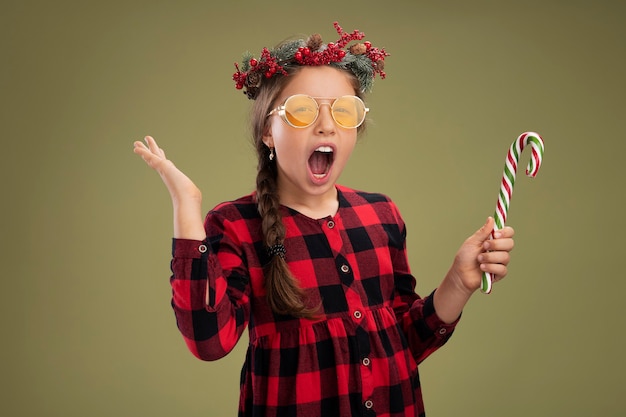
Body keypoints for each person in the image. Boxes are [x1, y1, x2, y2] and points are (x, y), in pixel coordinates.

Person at [133, 22, 514, 417]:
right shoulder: (236, 224)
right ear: (268, 131)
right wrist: (187, 207)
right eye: (302, 111)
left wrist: (458, 281)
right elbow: (210, 341)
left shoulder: (380, 215)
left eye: (344, 111)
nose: (326, 124)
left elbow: (403, 344)